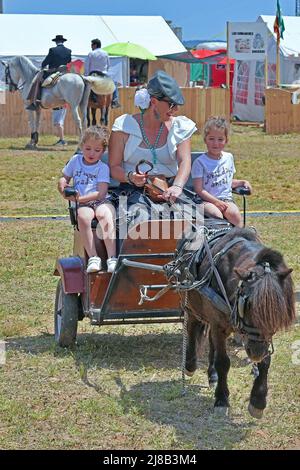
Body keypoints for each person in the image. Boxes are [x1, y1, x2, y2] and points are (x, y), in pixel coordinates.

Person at [109, 70, 197, 233]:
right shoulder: (124, 126)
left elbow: (185, 161)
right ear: (154, 101)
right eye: (171, 104)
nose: (175, 109)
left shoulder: (180, 127)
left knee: (192, 222)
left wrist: (177, 186)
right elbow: (114, 167)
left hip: (170, 190)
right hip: (133, 190)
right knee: (141, 221)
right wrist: (131, 177)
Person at [58, 126, 117, 273]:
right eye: (88, 148)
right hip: (82, 203)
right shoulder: (75, 160)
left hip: (99, 200)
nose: (91, 153)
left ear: (103, 152)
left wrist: (80, 198)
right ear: (81, 146)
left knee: (105, 215)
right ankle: (93, 257)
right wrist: (62, 185)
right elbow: (64, 177)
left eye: (97, 151)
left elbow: (101, 193)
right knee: (83, 217)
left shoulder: (103, 167)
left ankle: (112, 258)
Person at [191, 116, 252, 227]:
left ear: (226, 140)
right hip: (205, 200)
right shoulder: (200, 162)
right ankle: (218, 242)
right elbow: (199, 190)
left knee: (235, 215)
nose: (216, 143)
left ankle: (238, 240)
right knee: (216, 215)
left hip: (226, 199)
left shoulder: (228, 158)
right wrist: (215, 202)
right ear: (205, 139)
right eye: (211, 139)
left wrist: (242, 182)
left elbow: (225, 181)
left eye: (220, 139)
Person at [27, 34, 72, 111]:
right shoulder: (68, 51)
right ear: (62, 41)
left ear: (56, 42)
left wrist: (43, 67)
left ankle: (34, 102)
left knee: (37, 80)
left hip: (53, 72)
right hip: (64, 73)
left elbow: (45, 62)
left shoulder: (52, 50)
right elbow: (69, 62)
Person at [85, 38, 120, 108]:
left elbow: (87, 66)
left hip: (93, 74)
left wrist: (86, 75)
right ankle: (115, 100)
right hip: (104, 74)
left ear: (95, 45)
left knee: (84, 86)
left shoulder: (91, 53)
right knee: (114, 84)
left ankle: (84, 100)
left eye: (91, 45)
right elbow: (108, 65)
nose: (91, 46)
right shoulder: (105, 53)